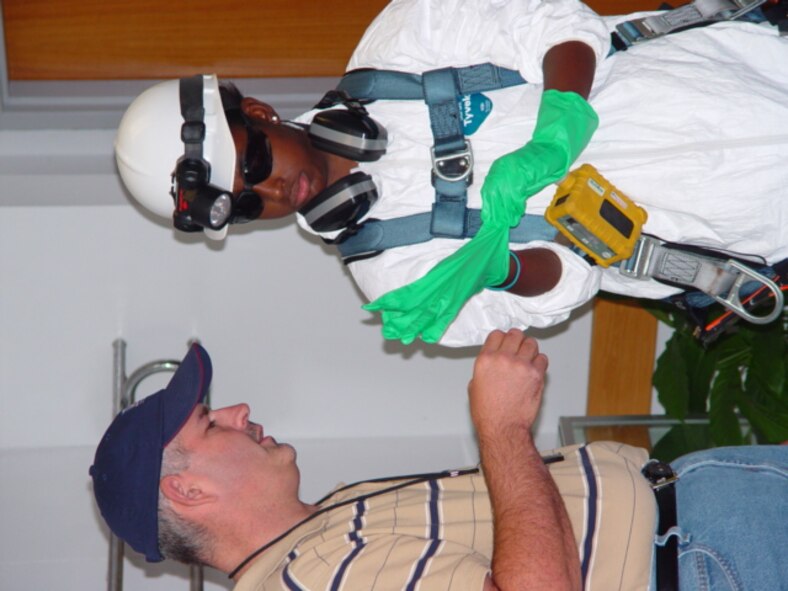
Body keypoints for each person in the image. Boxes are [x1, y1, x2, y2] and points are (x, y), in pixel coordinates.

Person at [113, 0, 788, 346]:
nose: (272, 190)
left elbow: (560, 25)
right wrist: (496, 265)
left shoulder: (399, 43)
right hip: (751, 221)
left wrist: (559, 127)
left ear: (257, 111)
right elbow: (570, 286)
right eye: (249, 202)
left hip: (746, 67)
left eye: (253, 161)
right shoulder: (400, 285)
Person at [90, 331, 788, 590]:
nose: (239, 411)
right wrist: (503, 428)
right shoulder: (312, 579)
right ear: (186, 489)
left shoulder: (318, 532)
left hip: (712, 517)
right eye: (211, 421)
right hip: (717, 559)